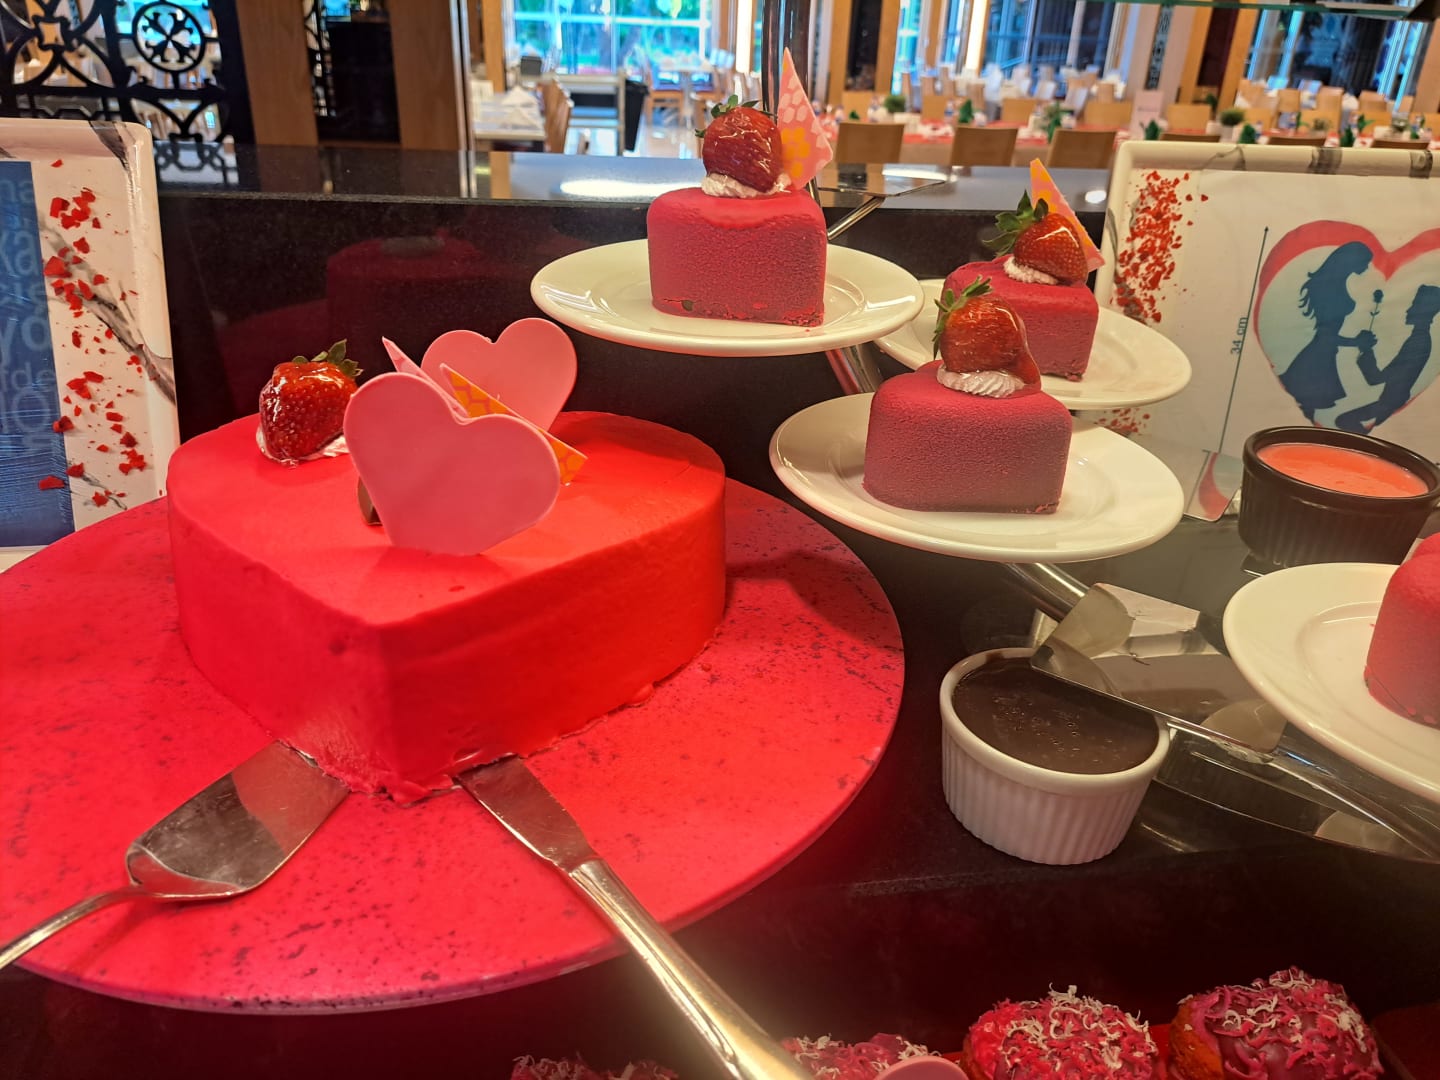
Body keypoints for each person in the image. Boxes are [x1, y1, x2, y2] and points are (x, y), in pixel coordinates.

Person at [1279, 241, 1378, 422]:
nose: (1367, 267)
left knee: (1307, 408)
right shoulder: (1328, 288)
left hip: (1324, 353)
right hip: (1319, 356)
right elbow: (1326, 336)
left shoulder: (1334, 285)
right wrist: (1356, 342)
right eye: (1365, 262)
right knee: (1306, 406)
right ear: (1352, 261)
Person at [1335, 284, 1440, 433]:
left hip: (1390, 403)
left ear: (1425, 312)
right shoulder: (1419, 339)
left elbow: (1376, 378)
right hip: (1391, 401)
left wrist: (1366, 350)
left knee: (1344, 421)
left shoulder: (1418, 343)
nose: (1408, 310)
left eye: (1415, 306)